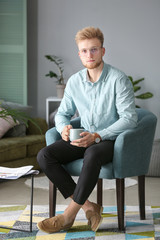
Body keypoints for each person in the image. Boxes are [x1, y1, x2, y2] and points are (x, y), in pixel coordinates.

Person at [37, 26, 137, 233]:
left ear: (103, 51)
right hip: (83, 136)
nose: (89, 55)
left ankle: (67, 216)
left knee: (92, 152)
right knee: (45, 155)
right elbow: (63, 113)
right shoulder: (75, 82)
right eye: (84, 50)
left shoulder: (118, 80)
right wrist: (63, 127)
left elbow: (130, 118)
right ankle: (90, 207)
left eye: (94, 49)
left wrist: (98, 135)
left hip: (109, 140)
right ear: (79, 53)